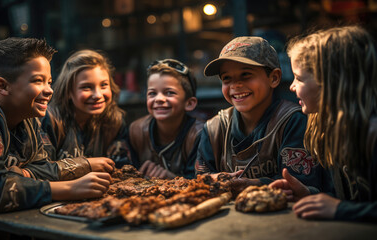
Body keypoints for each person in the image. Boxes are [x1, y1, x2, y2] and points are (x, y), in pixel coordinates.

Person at [0, 38, 111, 214]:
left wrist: (16, 175)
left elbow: (40, 169)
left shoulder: (28, 119)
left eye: (49, 81)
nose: (50, 90)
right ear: (2, 86)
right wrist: (69, 188)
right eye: (38, 81)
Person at [195, 36, 331, 194]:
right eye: (227, 78)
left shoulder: (293, 120)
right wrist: (213, 179)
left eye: (246, 74)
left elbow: (301, 183)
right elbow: (199, 179)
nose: (235, 85)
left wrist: (255, 184)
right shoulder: (214, 128)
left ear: (274, 78)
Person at [269, 26, 377, 221]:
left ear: (331, 81)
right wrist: (308, 195)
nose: (292, 86)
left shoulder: (372, 133)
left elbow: (348, 206)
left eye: (299, 78)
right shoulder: (334, 130)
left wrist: (340, 210)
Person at [41, 49, 131, 172]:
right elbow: (41, 171)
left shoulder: (114, 121)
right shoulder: (50, 120)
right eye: (86, 87)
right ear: (68, 91)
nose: (98, 95)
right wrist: (86, 165)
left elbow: (122, 170)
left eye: (104, 85)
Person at [129, 59, 203, 179]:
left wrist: (171, 179)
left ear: (189, 103)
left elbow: (201, 182)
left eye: (169, 93)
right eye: (152, 93)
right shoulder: (136, 130)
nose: (159, 99)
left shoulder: (199, 134)